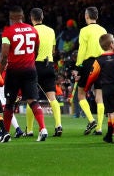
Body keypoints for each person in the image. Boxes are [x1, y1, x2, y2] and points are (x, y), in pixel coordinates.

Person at [0, 4, 48, 143]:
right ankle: (43, 129)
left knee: (9, 103)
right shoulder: (33, 30)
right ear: (22, 16)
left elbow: (3, 57)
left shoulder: (7, 32)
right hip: (30, 70)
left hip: (14, 71)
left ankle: (6, 133)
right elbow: (36, 50)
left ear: (11, 17)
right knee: (33, 100)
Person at [85, 33, 114, 144]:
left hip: (106, 88)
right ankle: (109, 135)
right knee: (112, 112)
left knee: (112, 112)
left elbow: (92, 75)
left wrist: (86, 88)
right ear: (111, 45)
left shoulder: (99, 60)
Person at [31, 7, 64, 137]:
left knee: (32, 98)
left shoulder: (31, 31)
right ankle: (58, 125)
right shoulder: (51, 31)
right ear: (42, 17)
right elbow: (53, 50)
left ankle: (29, 130)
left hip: (34, 66)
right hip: (49, 65)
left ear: (32, 18)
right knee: (52, 98)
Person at [75, 6, 107, 135]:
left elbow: (82, 49)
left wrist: (78, 66)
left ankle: (91, 119)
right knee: (99, 96)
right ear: (97, 17)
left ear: (86, 16)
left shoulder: (84, 30)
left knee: (81, 94)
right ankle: (99, 128)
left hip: (89, 63)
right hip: (102, 63)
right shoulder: (103, 29)